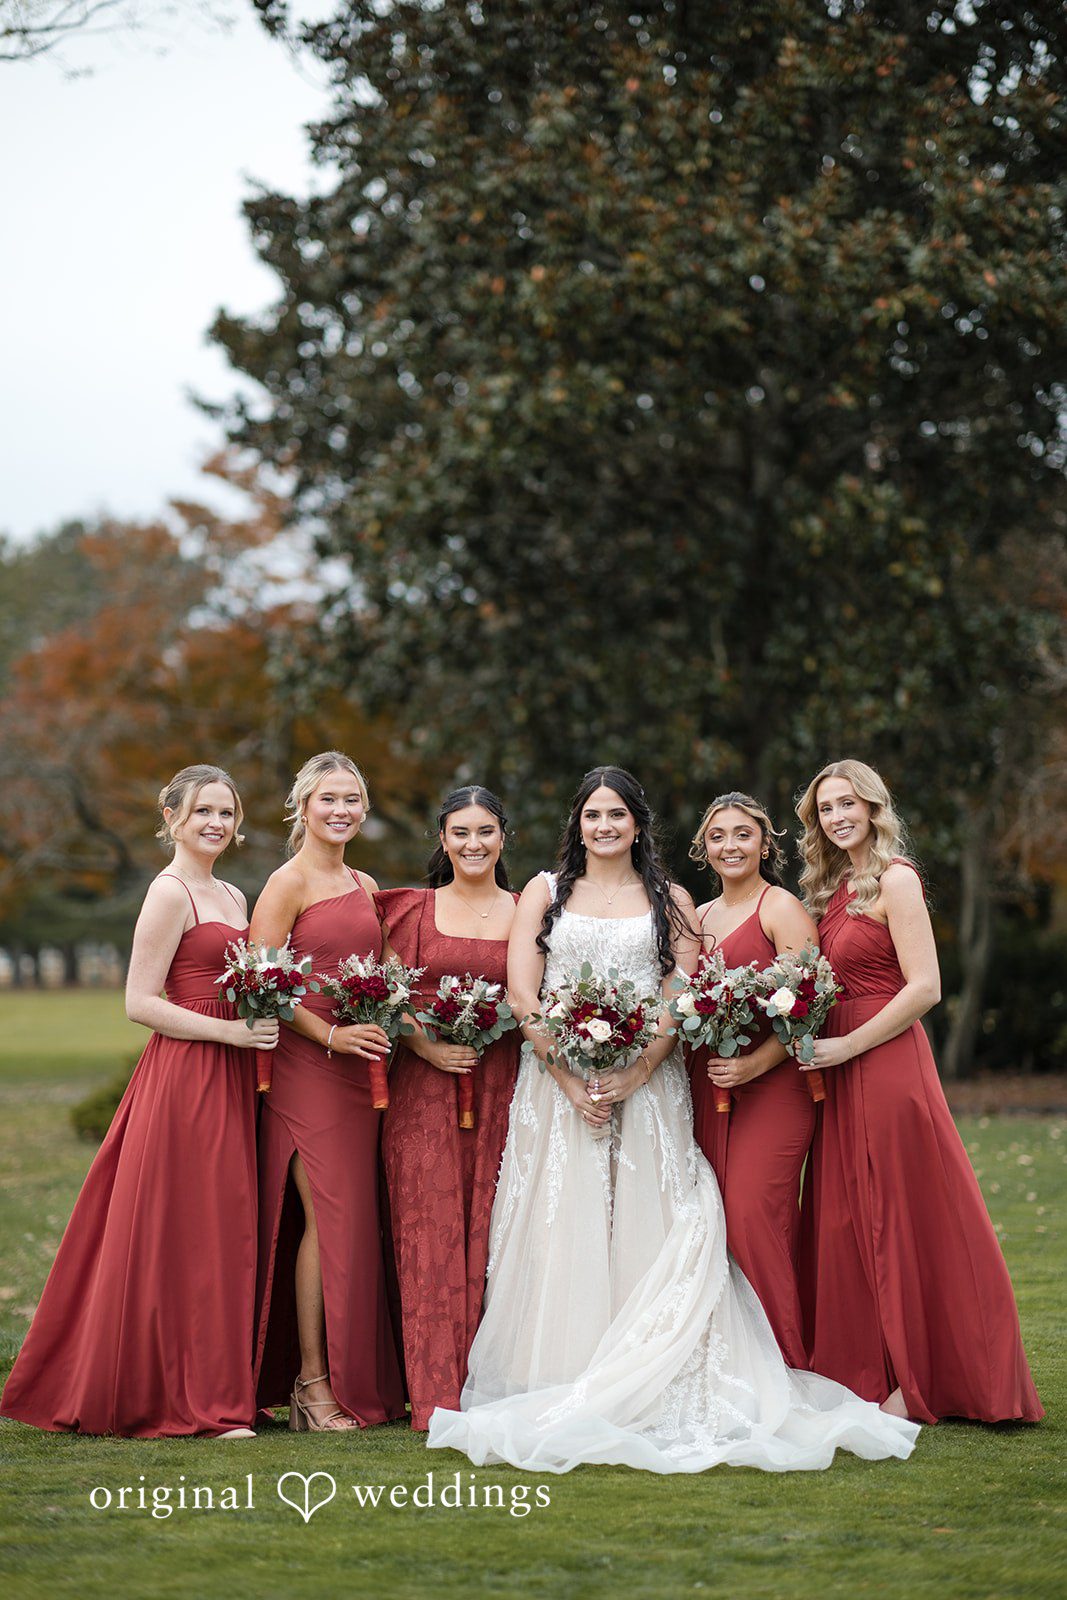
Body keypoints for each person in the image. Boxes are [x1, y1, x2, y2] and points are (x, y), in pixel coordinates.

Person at [427, 766, 919, 1472]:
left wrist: (634, 1071)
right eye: (592, 815)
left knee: (648, 1218)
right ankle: (559, 1368)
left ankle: (659, 1363)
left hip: (649, 1086)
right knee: (562, 1221)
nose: (604, 827)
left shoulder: (673, 900)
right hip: (555, 1088)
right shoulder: (543, 892)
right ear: (577, 824)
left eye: (617, 815)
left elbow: (674, 999)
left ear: (637, 825)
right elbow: (523, 995)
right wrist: (568, 1076)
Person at [1, 764, 273, 1438]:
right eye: (203, 811)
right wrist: (229, 1033)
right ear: (172, 817)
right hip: (188, 1075)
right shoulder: (168, 892)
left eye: (226, 813)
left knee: (225, 1227)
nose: (216, 823)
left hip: (235, 1073)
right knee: (190, 1227)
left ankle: (219, 1384)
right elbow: (139, 1002)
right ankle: (192, 1400)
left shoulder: (233, 893)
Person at [796, 758, 1043, 1424]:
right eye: (825, 808)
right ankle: (869, 1368)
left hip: (884, 1063)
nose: (837, 816)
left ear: (873, 808)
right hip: (838, 1064)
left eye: (847, 803)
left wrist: (848, 1045)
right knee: (850, 1215)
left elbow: (926, 987)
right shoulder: (831, 888)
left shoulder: (896, 880)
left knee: (901, 1215)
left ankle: (921, 1379)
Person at [250, 751, 404, 1432]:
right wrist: (331, 1036)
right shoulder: (285, 883)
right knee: (327, 1220)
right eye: (328, 799)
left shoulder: (364, 883)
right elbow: (263, 984)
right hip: (307, 1068)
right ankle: (311, 1386)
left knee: (354, 1222)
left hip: (358, 1072)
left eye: (351, 799)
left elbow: (382, 969)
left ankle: (351, 1377)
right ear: (303, 807)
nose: (341, 810)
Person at [376, 786, 520, 1429]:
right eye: (460, 832)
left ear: (502, 838)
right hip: (424, 1090)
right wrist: (428, 1048)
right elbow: (388, 993)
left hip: (505, 1087)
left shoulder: (527, 909)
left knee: (496, 1229)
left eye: (485, 831)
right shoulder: (414, 911)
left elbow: (537, 994)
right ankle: (435, 1393)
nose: (473, 843)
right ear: (442, 839)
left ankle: (491, 1385)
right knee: (427, 1231)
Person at [689, 792, 819, 1368]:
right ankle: (732, 1362)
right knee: (714, 1218)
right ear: (704, 849)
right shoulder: (698, 918)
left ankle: (786, 1362)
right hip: (709, 1084)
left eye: (743, 834)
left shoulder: (780, 907)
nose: (730, 846)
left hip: (773, 1085)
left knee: (752, 1216)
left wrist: (752, 1065)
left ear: (766, 844)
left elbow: (809, 1006)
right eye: (717, 836)